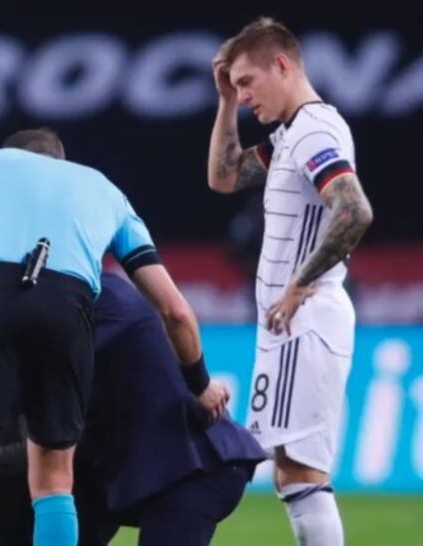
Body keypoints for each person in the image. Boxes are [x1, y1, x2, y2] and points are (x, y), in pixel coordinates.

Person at [0, 129, 227, 546]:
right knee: (53, 482)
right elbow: (174, 309)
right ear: (61, 160)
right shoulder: (106, 191)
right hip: (68, 308)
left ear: (12, 155)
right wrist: (200, 383)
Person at [0, 274, 266, 546]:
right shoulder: (66, 304)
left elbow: (41, 446)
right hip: (115, 475)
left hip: (189, 469)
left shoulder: (71, 321)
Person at [207, 18, 373, 546]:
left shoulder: (316, 131)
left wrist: (301, 284)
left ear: (282, 65)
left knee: (301, 474)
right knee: (291, 472)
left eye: (248, 83)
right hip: (291, 326)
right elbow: (224, 176)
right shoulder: (289, 136)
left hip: (307, 320)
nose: (246, 95)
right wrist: (226, 104)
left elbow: (355, 209)